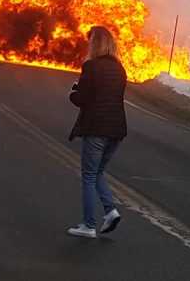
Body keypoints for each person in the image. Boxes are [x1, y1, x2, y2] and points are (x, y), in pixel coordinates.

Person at [66, 25, 127, 239]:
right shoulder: (120, 69)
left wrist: (72, 92)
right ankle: (110, 211)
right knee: (98, 172)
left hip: (96, 129)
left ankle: (89, 225)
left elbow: (82, 99)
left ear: (95, 44)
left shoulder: (91, 67)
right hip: (117, 130)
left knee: (89, 176)